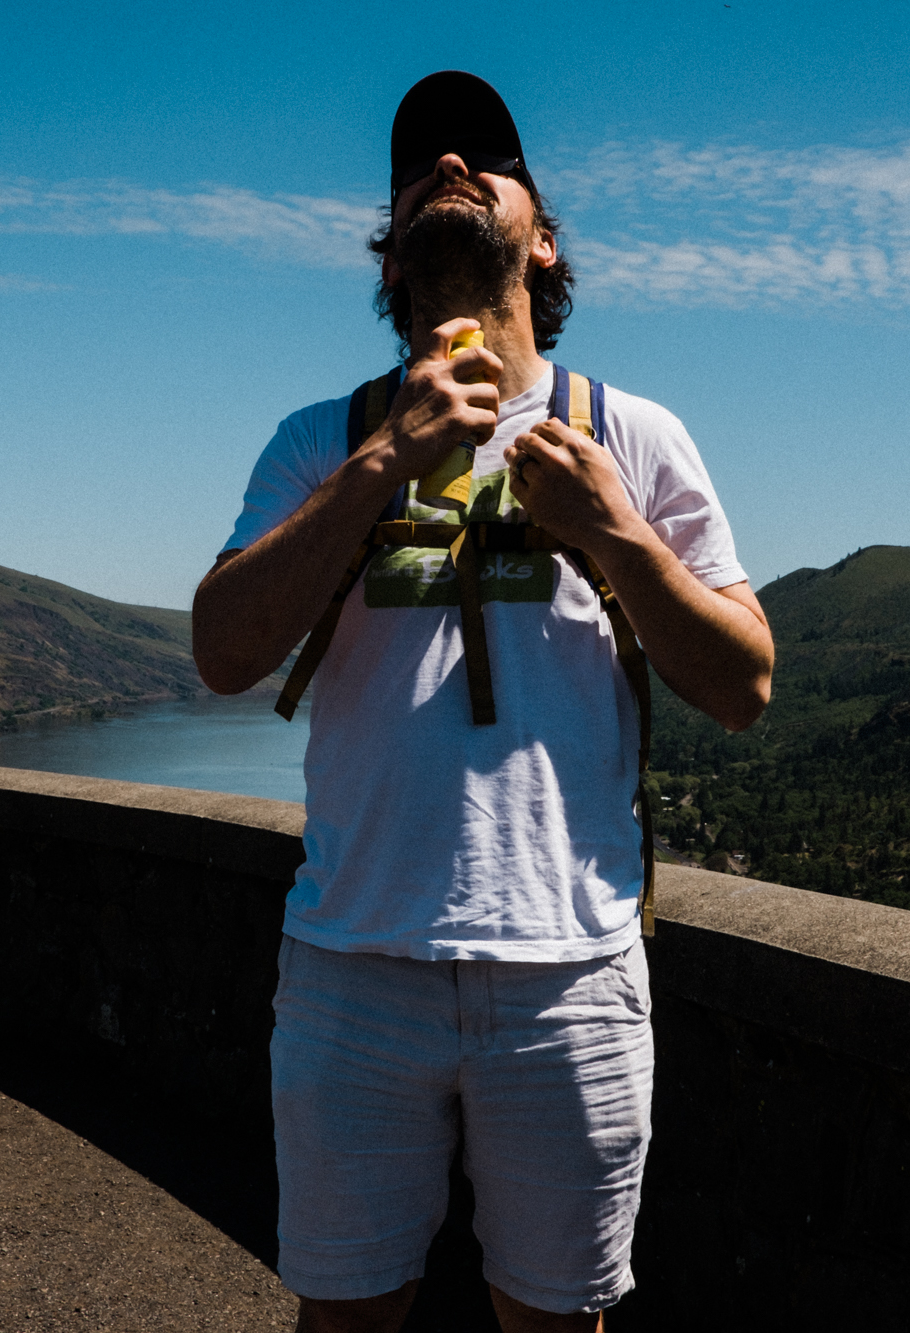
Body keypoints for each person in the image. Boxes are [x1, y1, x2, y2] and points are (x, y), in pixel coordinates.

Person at [192, 72, 774, 1332]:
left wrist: (616, 531)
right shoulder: (322, 437)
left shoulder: (634, 432)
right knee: (341, 1316)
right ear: (390, 249)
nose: (450, 163)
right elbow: (224, 649)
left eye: (488, 158)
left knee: (558, 1321)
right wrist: (382, 464)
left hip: (569, 972)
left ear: (541, 235)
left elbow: (743, 683)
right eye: (418, 169)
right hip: (353, 965)